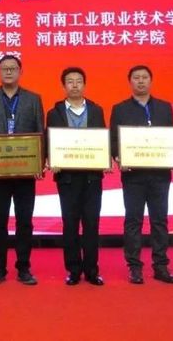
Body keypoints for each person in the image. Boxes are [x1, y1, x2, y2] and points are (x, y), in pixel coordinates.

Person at [0, 55, 44, 285]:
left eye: (13, 68)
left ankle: (24, 267)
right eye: (4, 68)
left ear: (20, 72)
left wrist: (40, 163)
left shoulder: (33, 99)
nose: (8, 72)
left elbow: (40, 132)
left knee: (25, 221)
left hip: (26, 171)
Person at [109, 65, 173, 285]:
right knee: (133, 221)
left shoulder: (164, 107)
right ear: (130, 82)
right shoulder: (120, 109)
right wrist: (119, 157)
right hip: (133, 175)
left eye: (144, 77)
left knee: (160, 221)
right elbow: (113, 140)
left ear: (151, 80)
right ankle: (134, 267)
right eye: (136, 78)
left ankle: (161, 266)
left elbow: (170, 137)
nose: (140, 81)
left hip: (160, 174)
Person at [46, 67, 107, 286]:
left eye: (78, 81)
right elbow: (49, 141)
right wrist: (50, 159)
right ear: (64, 86)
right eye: (70, 81)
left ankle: (91, 270)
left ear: (84, 84)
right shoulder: (54, 113)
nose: (74, 85)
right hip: (67, 178)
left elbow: (102, 140)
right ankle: (73, 270)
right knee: (70, 224)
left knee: (91, 223)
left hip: (92, 177)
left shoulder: (96, 110)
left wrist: (105, 159)